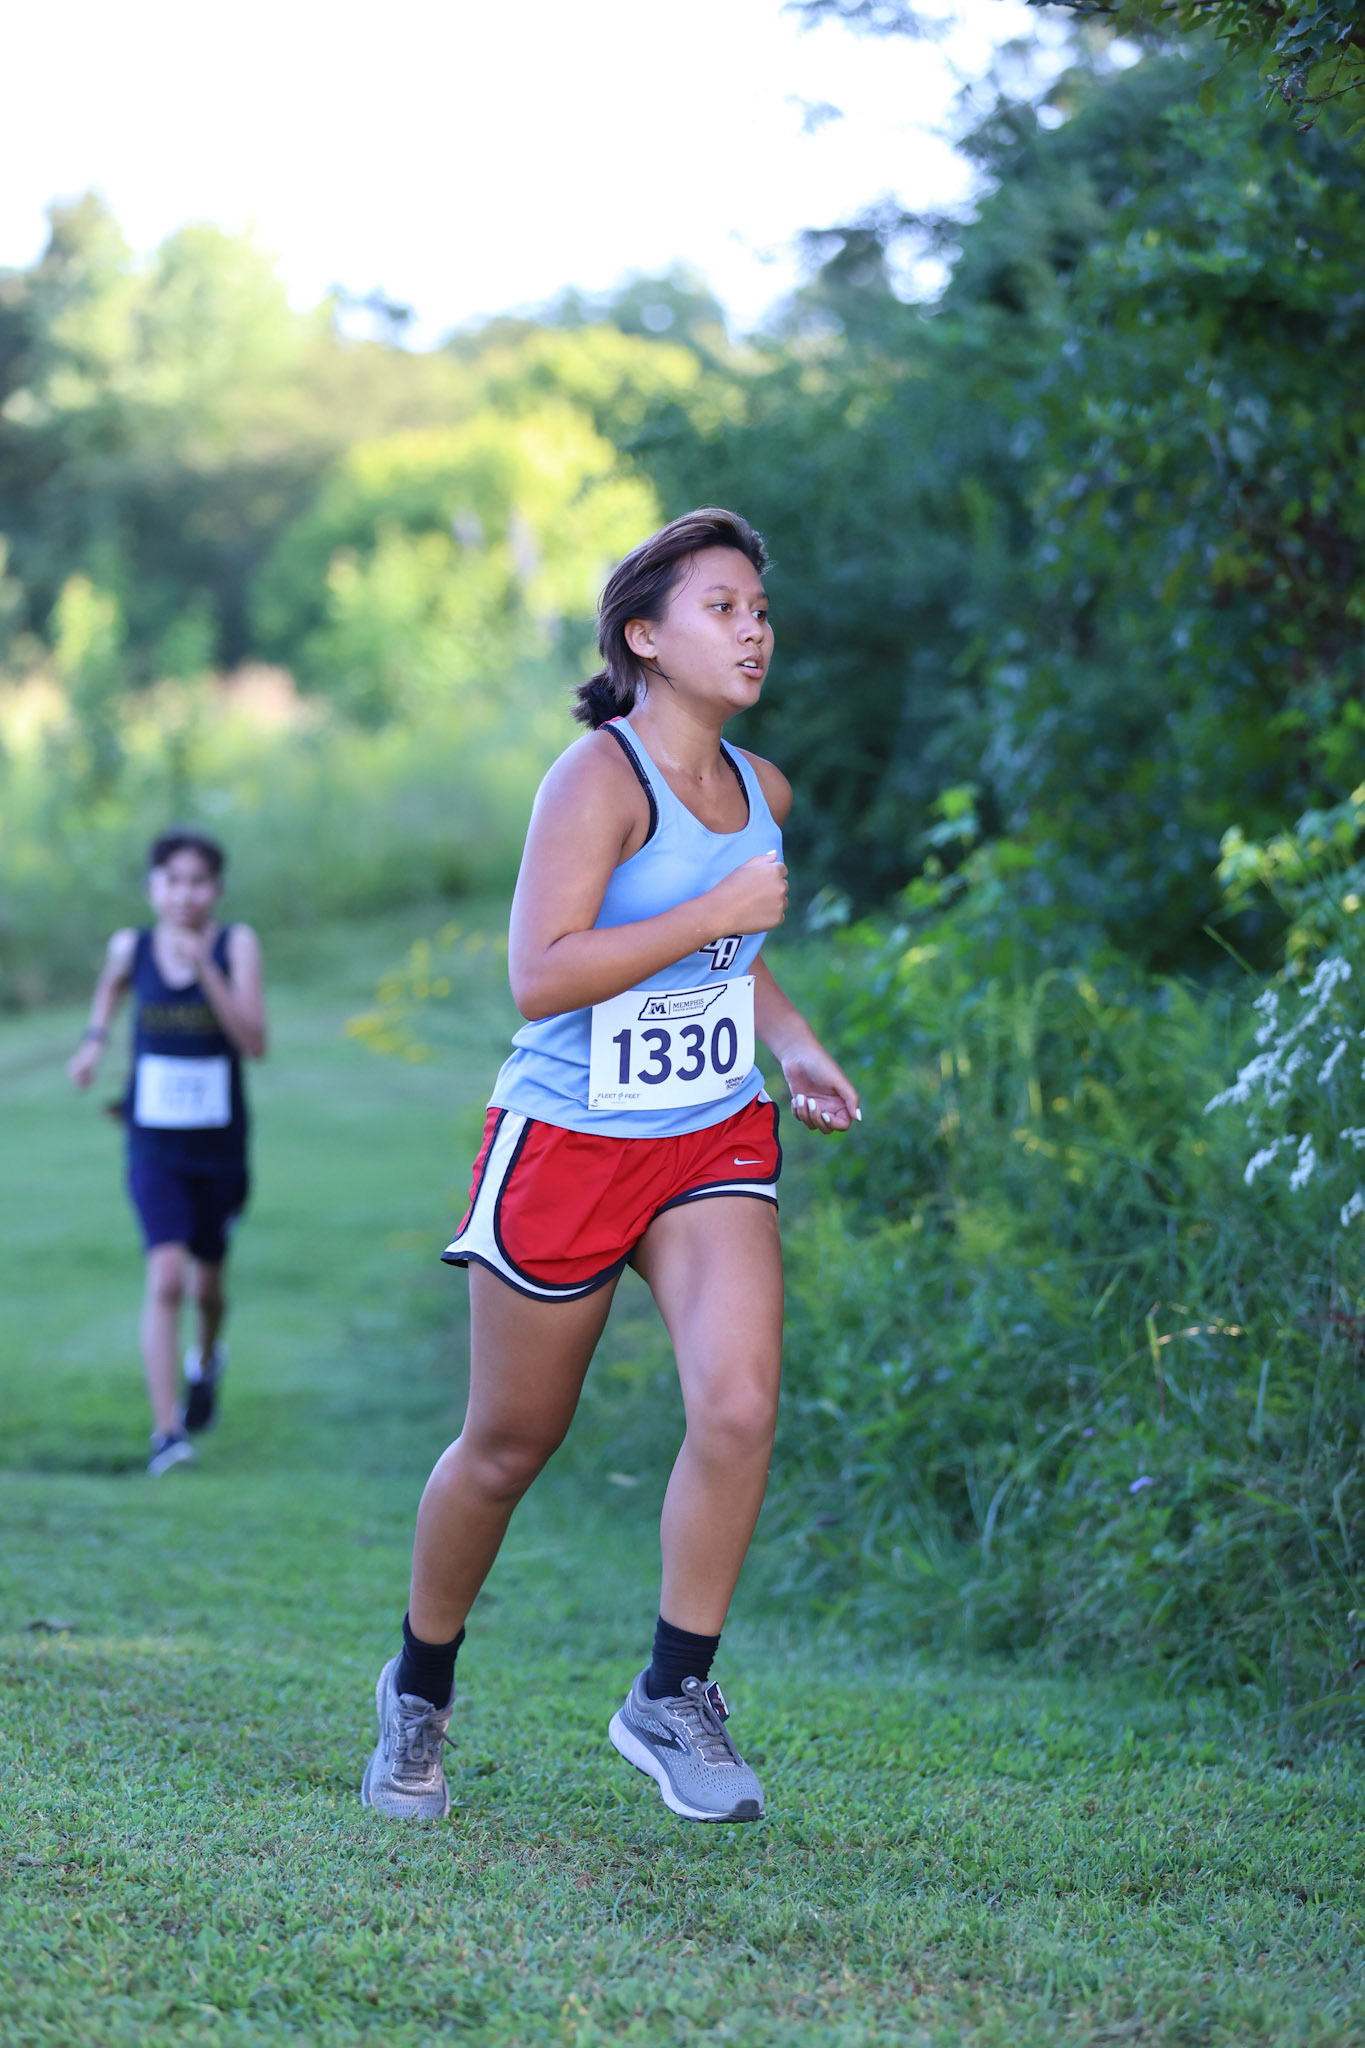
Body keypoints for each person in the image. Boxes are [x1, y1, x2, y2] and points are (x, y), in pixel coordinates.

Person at [361, 507, 859, 1825]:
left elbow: (730, 964)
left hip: (706, 1131)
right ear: (645, 636)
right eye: (721, 607)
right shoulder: (595, 779)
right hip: (571, 1141)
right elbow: (543, 974)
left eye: (759, 607)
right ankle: (418, 1685)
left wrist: (793, 1040)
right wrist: (713, 911)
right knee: (510, 1444)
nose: (752, 628)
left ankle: (672, 1692)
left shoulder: (764, 791)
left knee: (739, 1405)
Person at [67, 829, 267, 1475]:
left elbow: (254, 1041)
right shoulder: (132, 946)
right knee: (167, 1277)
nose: (184, 894)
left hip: (219, 1147)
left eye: (198, 882)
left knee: (208, 1286)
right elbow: (110, 985)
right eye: (172, 881)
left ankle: (206, 1361)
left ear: (217, 888)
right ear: (154, 887)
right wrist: (94, 1042)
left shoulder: (237, 944)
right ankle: (166, 1432)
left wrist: (206, 966)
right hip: (152, 1142)